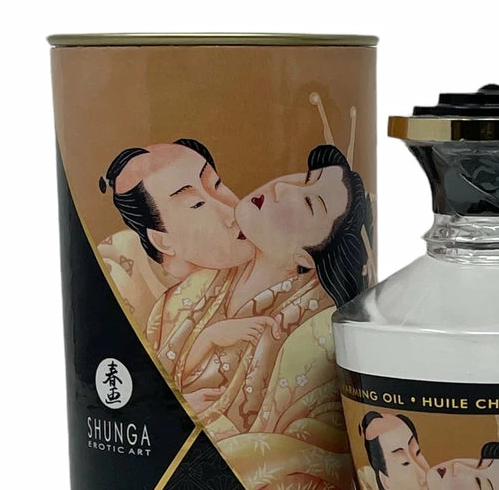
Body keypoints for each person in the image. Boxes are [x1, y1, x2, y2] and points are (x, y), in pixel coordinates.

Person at [148, 144, 372, 438]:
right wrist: (208, 338)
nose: (282, 187)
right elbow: (146, 381)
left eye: (309, 203)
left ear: (306, 258)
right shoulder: (199, 284)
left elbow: (281, 440)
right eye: (305, 178)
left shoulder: (311, 331)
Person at [97, 141, 251, 329]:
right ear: (162, 240)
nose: (231, 212)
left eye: (216, 184)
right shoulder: (160, 308)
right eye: (196, 204)